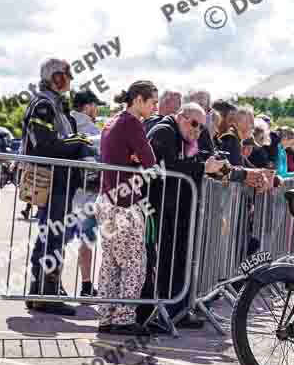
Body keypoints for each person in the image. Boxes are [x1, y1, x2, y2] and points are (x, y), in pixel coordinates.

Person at [136, 102, 234, 328]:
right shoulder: (164, 131)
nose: (197, 131)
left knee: (179, 259)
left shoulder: (185, 137)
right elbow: (167, 166)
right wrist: (203, 168)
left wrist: (214, 167)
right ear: (181, 117)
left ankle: (176, 311)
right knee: (161, 260)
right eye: (193, 124)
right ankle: (158, 313)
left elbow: (190, 163)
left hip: (177, 207)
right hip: (157, 206)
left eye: (201, 128)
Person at [23, 58, 95, 315]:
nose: (71, 79)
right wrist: (78, 141)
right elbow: (45, 145)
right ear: (55, 77)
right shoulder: (43, 104)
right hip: (53, 181)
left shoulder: (54, 103)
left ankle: (40, 290)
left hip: (62, 181)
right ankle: (46, 294)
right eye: (68, 74)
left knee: (53, 235)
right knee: (53, 235)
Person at [96, 80, 158, 334]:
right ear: (139, 100)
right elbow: (150, 160)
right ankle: (124, 318)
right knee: (134, 262)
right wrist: (136, 158)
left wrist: (133, 157)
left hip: (106, 199)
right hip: (125, 202)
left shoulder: (111, 122)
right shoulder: (132, 123)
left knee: (110, 262)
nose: (155, 107)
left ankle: (106, 316)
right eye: (152, 102)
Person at [69, 89, 106, 297]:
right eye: (95, 105)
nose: (97, 109)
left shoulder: (64, 123)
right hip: (87, 194)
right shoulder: (93, 130)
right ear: (88, 106)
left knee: (58, 240)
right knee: (87, 240)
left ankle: (50, 285)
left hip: (63, 192)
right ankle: (85, 284)